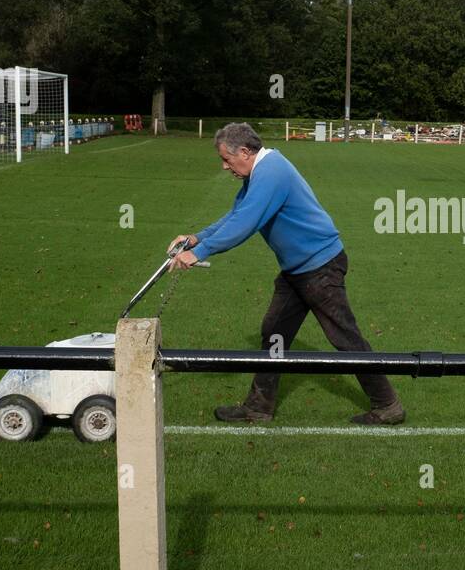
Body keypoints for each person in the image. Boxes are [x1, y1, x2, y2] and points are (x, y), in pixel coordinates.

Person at [168, 122, 405, 426]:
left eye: (227, 159)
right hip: (297, 270)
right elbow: (236, 215)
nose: (225, 166)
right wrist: (197, 238)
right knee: (275, 332)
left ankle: (388, 406)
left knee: (345, 337)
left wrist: (199, 253)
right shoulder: (258, 175)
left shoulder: (271, 172)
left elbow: (245, 225)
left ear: (244, 151)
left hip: (320, 266)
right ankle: (258, 408)